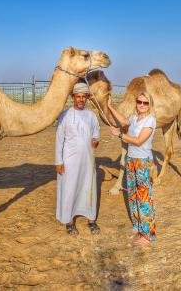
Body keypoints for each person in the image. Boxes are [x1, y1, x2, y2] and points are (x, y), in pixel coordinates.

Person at [107, 91, 157, 245]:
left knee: (144, 198)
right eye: (139, 102)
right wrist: (109, 106)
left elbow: (139, 141)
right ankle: (138, 228)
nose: (141, 105)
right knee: (133, 195)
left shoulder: (150, 120)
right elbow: (123, 121)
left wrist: (120, 135)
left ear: (149, 105)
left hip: (143, 161)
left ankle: (148, 235)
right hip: (131, 160)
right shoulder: (134, 118)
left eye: (145, 103)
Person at [55, 82, 101, 236]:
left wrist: (95, 140)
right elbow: (59, 140)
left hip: (88, 160)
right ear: (73, 97)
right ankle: (69, 221)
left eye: (84, 97)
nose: (81, 99)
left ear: (87, 98)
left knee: (88, 188)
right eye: (78, 96)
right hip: (70, 161)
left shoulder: (91, 116)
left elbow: (96, 132)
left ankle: (91, 219)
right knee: (70, 189)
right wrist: (58, 161)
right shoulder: (65, 115)